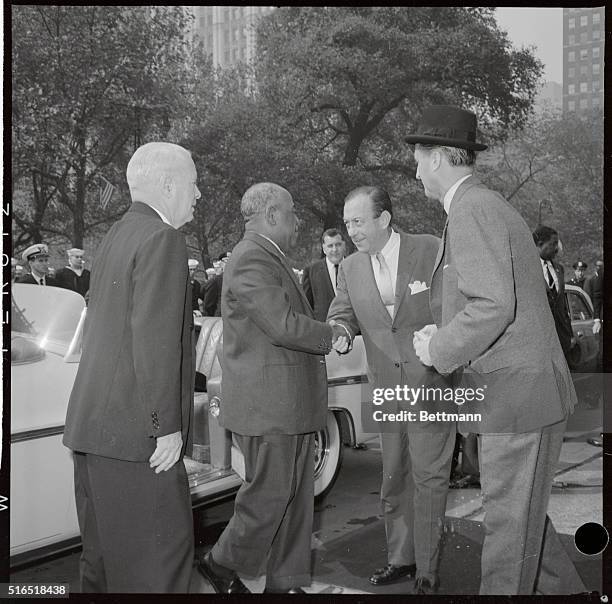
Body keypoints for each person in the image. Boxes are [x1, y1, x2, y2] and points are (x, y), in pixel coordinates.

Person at [408, 105, 585, 595]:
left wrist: (436, 346)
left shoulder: (472, 209)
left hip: (515, 398)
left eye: (419, 157)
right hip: (520, 394)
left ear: (441, 158)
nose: (416, 168)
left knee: (508, 528)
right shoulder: (480, 206)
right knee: (522, 515)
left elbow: (492, 305)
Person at [197, 182, 347, 594]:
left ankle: (287, 583)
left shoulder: (267, 256)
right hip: (270, 407)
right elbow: (281, 323)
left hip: (287, 405)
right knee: (269, 496)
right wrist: (329, 332)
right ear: (273, 214)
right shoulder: (251, 258)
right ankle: (220, 565)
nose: (298, 221)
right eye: (294, 212)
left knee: (297, 498)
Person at [63, 142, 200, 593]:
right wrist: (166, 427)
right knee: (159, 572)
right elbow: (155, 343)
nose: (197, 194)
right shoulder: (163, 239)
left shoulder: (117, 236)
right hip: (137, 439)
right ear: (168, 185)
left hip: (94, 433)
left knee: (103, 570)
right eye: (193, 183)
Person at [327, 186, 455, 594]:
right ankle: (401, 560)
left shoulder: (431, 248)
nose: (351, 231)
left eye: (358, 221)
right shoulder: (349, 267)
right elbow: (342, 311)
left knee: (430, 477)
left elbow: (456, 304)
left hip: (432, 384)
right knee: (394, 475)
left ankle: (429, 571)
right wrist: (342, 331)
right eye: (347, 223)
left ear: (383, 219)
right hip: (386, 387)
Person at [532, 226, 574, 360]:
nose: (557, 248)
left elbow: (562, 306)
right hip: (538, 341)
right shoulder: (526, 269)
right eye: (553, 243)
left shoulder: (559, 269)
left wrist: (569, 334)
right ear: (540, 244)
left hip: (561, 341)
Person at [302, 228, 347, 320]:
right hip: (325, 330)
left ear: (344, 245)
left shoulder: (355, 267)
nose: (335, 249)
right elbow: (307, 308)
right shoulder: (311, 272)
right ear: (324, 248)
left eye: (338, 244)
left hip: (356, 331)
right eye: (330, 246)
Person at [202, 252, 229, 316]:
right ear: (221, 263)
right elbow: (208, 305)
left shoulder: (239, 279)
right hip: (220, 318)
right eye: (227, 260)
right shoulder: (215, 281)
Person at [585, 259, 603, 334]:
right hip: (595, 308)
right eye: (598, 266)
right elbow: (589, 295)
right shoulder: (591, 279)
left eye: (601, 266)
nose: (599, 268)